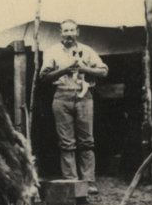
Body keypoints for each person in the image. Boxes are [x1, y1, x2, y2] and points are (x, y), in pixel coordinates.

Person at [39, 19, 108, 194]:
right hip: (62, 95)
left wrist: (85, 69)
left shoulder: (87, 50)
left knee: (87, 140)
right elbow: (44, 76)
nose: (68, 34)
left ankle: (88, 181)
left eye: (72, 30)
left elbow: (103, 71)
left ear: (77, 32)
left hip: (84, 96)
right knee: (66, 142)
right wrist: (64, 70)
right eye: (65, 31)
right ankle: (71, 182)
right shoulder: (52, 51)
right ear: (60, 32)